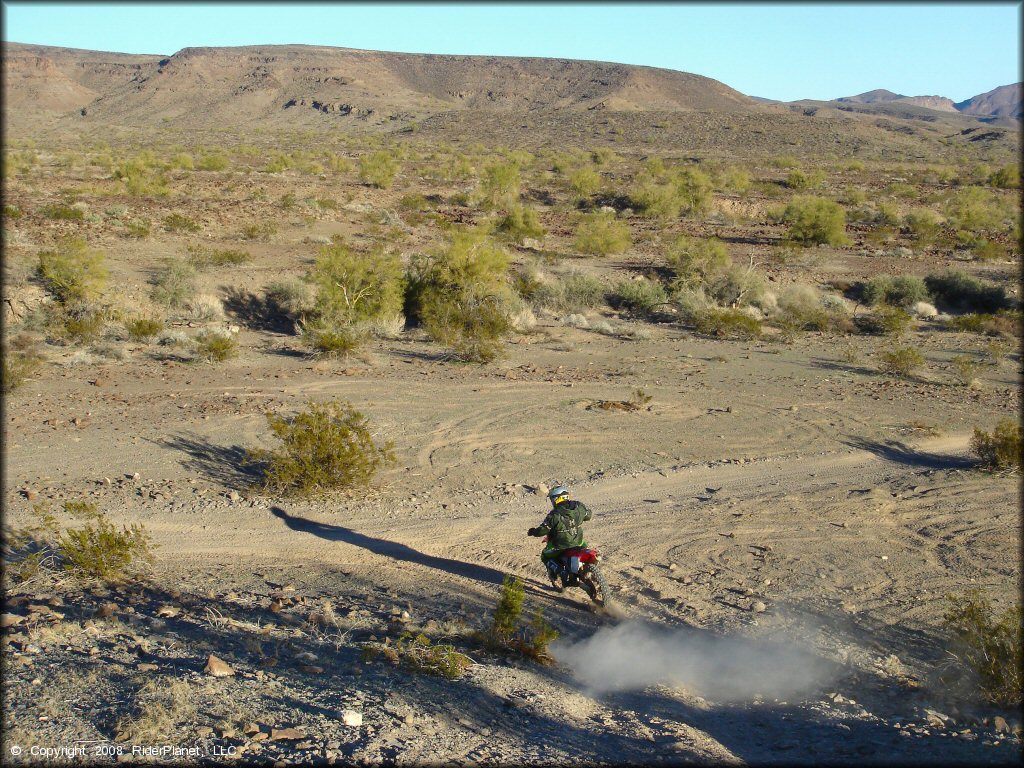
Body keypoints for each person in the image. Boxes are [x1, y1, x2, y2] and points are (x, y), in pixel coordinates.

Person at [527, 484, 592, 591]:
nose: (552, 501)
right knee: (584, 547)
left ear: (557, 498)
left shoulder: (554, 515)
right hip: (579, 542)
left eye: (553, 498)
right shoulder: (579, 506)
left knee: (545, 555)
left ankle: (562, 572)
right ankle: (583, 571)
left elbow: (542, 531)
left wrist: (533, 531)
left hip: (562, 545)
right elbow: (588, 516)